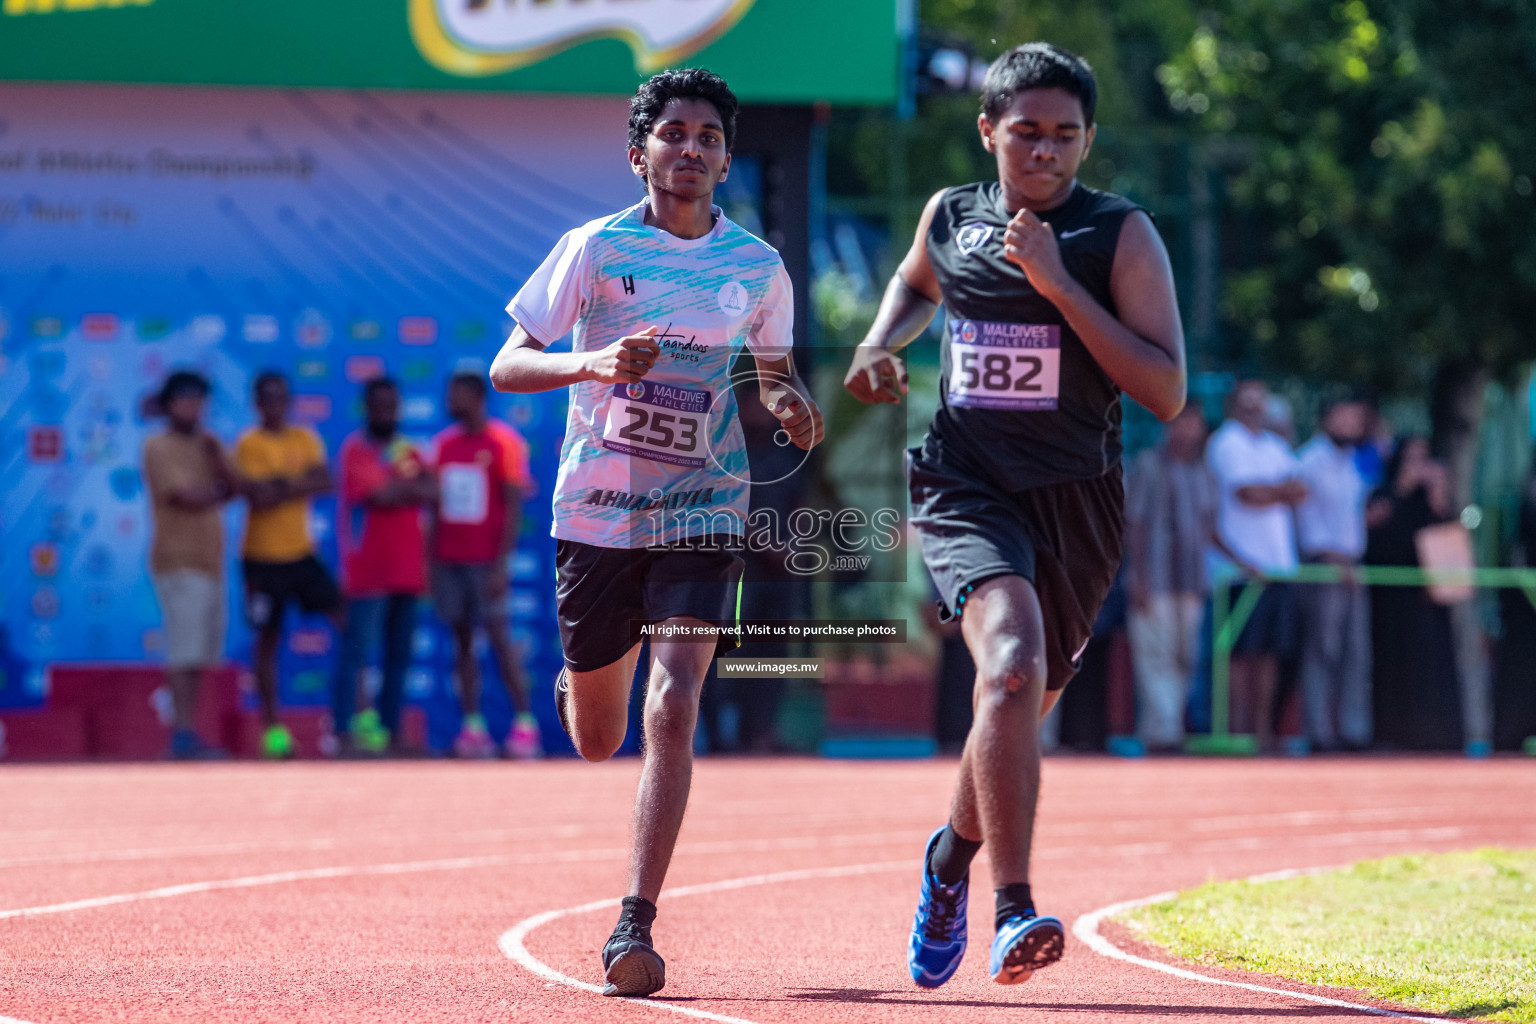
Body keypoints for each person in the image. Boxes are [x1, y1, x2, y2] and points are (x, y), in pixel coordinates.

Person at [843, 43, 1186, 987]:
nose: (1045, 152)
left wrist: (1061, 286)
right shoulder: (950, 215)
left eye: (1066, 136)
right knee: (1010, 670)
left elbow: (1164, 390)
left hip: (1076, 501)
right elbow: (917, 284)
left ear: (1087, 140)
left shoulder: (1118, 235)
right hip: (965, 485)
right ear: (987, 129)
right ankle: (1014, 908)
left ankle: (948, 862)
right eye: (1026, 132)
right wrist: (880, 344)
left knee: (1019, 699)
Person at [488, 68, 821, 996]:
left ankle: (633, 923)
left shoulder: (756, 266)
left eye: (709, 136)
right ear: (640, 154)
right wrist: (593, 361)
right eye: (674, 133)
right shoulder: (591, 250)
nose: (693, 148)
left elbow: (774, 375)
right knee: (599, 738)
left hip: (704, 509)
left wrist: (794, 409)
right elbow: (507, 364)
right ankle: (582, 681)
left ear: (725, 157)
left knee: (672, 703)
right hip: (595, 511)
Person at [429, 371, 542, 759]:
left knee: (498, 640)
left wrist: (500, 565)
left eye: (456, 394)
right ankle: (472, 727)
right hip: (450, 559)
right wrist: (432, 561)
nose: (450, 401)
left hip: (486, 562)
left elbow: (512, 507)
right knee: (461, 642)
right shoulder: (443, 446)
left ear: (476, 397)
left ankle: (525, 726)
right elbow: (435, 508)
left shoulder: (503, 442)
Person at [235, 371, 344, 759]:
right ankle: (273, 732)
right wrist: (296, 483)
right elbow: (259, 496)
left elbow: (324, 481)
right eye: (267, 398)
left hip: (302, 553)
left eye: (281, 397)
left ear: (289, 401)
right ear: (257, 403)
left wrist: (282, 485)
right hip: (261, 559)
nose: (275, 405)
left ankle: (351, 718)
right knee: (266, 642)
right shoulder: (249, 443)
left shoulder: (305, 437)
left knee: (348, 624)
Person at [334, 377, 436, 755]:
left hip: (408, 572)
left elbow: (431, 490)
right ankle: (343, 733)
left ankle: (391, 734)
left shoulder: (405, 449)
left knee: (398, 659)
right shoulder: (355, 451)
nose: (386, 412)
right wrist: (403, 488)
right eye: (379, 405)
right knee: (357, 655)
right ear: (367, 408)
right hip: (368, 573)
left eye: (392, 405)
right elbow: (378, 494)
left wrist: (400, 488)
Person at [142, 370, 239, 759]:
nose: (192, 406)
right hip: (178, 560)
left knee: (199, 653)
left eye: (198, 399)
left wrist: (218, 461)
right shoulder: (157, 446)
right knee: (183, 651)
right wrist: (219, 487)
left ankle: (189, 732)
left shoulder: (209, 444)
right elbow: (186, 496)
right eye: (183, 398)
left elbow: (236, 487)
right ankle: (181, 734)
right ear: (167, 404)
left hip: (210, 561)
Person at [1205, 379, 1306, 750]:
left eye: (1260, 402)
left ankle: (1262, 731)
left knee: (1270, 653)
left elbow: (1302, 489)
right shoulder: (1226, 441)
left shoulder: (1275, 445)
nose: (1255, 408)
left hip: (1277, 567)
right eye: (1248, 401)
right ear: (1234, 405)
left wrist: (1272, 492)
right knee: (1239, 654)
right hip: (1238, 570)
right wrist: (1281, 491)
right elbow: (1246, 494)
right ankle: (1236, 730)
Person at [1124, 402, 1215, 751]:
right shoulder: (1147, 465)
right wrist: (1139, 576)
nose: (1189, 431)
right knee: (1155, 654)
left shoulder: (1204, 472)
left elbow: (1210, 528)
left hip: (1192, 579)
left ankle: (1168, 725)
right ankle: (1163, 732)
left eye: (1195, 424)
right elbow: (1135, 524)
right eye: (1182, 423)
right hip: (1155, 577)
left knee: (1186, 656)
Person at [1364, 436, 1462, 749]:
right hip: (1393, 603)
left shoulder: (1433, 500)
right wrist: (1401, 489)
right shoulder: (1382, 496)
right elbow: (1376, 542)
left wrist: (1438, 495)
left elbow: (1451, 543)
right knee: (1393, 670)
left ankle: (1439, 737)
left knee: (1433, 671)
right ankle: (1392, 735)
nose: (1420, 467)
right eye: (1411, 459)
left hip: (1429, 601)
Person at [1295, 396, 1372, 751]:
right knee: (1322, 649)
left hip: (1353, 566)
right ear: (1327, 418)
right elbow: (1308, 520)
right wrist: (1333, 559)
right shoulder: (1310, 460)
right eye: (1346, 417)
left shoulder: (1352, 462)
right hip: (1324, 564)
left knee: (1355, 652)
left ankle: (1354, 730)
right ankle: (1319, 732)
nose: (1353, 425)